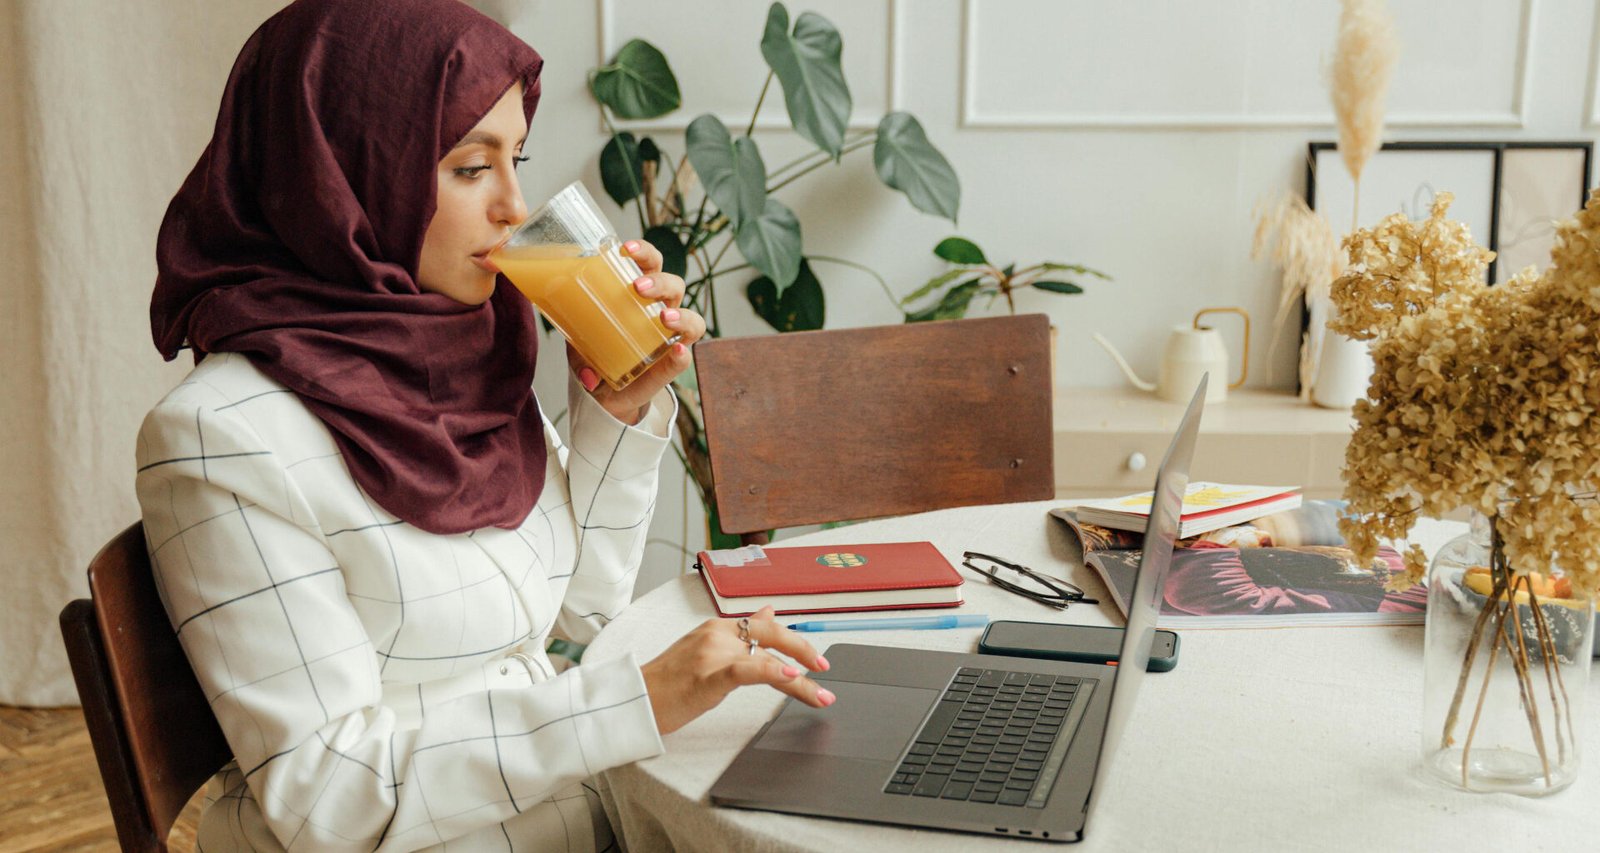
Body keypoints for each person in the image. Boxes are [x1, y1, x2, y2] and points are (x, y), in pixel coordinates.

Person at [134, 1, 832, 849]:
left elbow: (577, 611)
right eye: (471, 167)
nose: (515, 205)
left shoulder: (457, 353)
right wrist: (633, 700)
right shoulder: (224, 437)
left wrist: (616, 408)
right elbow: (328, 798)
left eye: (517, 158)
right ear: (343, 177)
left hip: (573, 814)